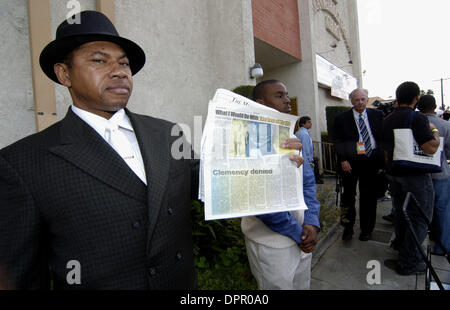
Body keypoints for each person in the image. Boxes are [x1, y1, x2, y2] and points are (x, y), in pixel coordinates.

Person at [0, 11, 305, 290]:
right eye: (99, 60)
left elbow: (211, 181)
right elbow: (21, 275)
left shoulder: (165, 132)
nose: (119, 71)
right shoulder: (23, 163)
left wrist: (272, 159)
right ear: (64, 74)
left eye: (123, 63)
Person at [241, 80, 321, 290]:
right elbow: (261, 198)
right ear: (260, 103)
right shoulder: (247, 143)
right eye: (279, 96)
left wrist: (312, 222)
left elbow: (308, 184)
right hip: (272, 244)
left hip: (302, 237)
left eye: (287, 94)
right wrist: (298, 233)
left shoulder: (291, 138)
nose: (287, 100)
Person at [382, 82, 441, 275]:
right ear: (416, 98)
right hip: (414, 174)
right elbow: (431, 147)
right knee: (420, 218)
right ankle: (409, 262)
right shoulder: (418, 118)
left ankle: (400, 246)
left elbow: (385, 150)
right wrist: (434, 132)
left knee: (401, 213)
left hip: (394, 172)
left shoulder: (388, 118)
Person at [332, 88, 384, 241]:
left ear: (367, 99)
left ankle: (366, 230)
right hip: (350, 162)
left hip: (371, 161)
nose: (360, 102)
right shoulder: (341, 118)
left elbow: (382, 137)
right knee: (348, 197)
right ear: (351, 101)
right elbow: (337, 141)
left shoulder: (377, 115)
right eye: (357, 100)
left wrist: (382, 159)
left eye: (363, 99)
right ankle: (348, 228)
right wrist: (343, 159)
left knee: (369, 197)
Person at [417, 95, 450, 255]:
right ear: (435, 106)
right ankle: (442, 246)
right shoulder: (445, 125)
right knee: (442, 210)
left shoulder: (414, 124)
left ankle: (420, 245)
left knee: (420, 210)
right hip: (441, 173)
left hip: (421, 173)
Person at [295, 116, 324, 184]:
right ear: (302, 124)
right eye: (308, 122)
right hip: (305, 163)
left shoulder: (300, 132)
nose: (311, 124)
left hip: (302, 161)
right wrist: (309, 163)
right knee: (308, 184)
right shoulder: (304, 134)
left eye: (310, 122)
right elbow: (305, 150)